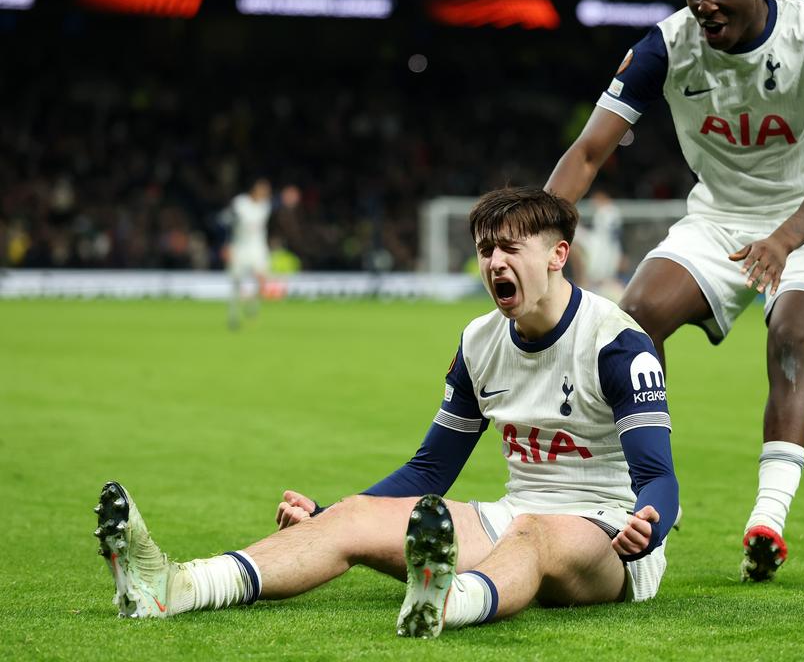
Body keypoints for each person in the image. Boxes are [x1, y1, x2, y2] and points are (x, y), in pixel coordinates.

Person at [94, 187, 679, 637]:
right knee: (354, 517)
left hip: (609, 538)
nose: (494, 262)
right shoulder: (479, 342)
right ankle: (176, 585)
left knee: (532, 533)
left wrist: (647, 524)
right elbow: (430, 471)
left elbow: (658, 478)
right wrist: (331, 512)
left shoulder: (616, 343)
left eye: (510, 248)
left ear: (557, 255)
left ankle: (449, 602)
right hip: (514, 515)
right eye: (484, 251)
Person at [545, 0, 804, 582]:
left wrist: (783, 241)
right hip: (718, 218)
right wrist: (539, 237)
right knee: (633, 321)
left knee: (792, 334)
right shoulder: (665, 46)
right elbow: (589, 149)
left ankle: (767, 520)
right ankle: (655, 491)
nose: (703, 4)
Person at [222, 178, 299, 329]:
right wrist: (227, 245)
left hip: (258, 248)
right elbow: (227, 222)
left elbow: (277, 202)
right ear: (254, 190)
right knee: (236, 281)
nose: (265, 193)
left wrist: (286, 197)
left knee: (262, 278)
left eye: (267, 191)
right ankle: (233, 315)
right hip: (239, 247)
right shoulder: (240, 203)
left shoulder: (264, 205)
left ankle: (252, 305)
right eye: (262, 190)